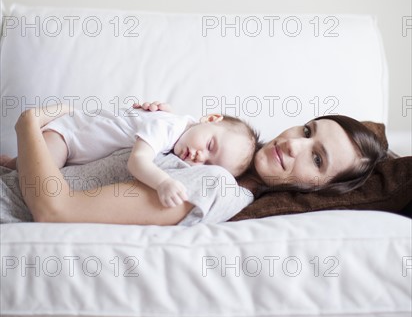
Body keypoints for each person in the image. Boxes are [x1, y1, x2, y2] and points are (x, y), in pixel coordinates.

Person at [6, 102, 387, 226]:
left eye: (316, 158)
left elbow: (55, 208)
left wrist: (28, 125)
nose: (293, 145)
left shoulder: (218, 187)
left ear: (320, 189)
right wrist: (157, 125)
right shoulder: (220, 151)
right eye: (307, 130)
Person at [0, 103, 258, 208]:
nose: (200, 156)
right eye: (210, 145)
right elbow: (138, 162)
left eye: (209, 163)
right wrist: (163, 183)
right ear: (211, 118)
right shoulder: (168, 126)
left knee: (16, 168)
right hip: (66, 135)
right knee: (38, 181)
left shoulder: (179, 128)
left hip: (74, 147)